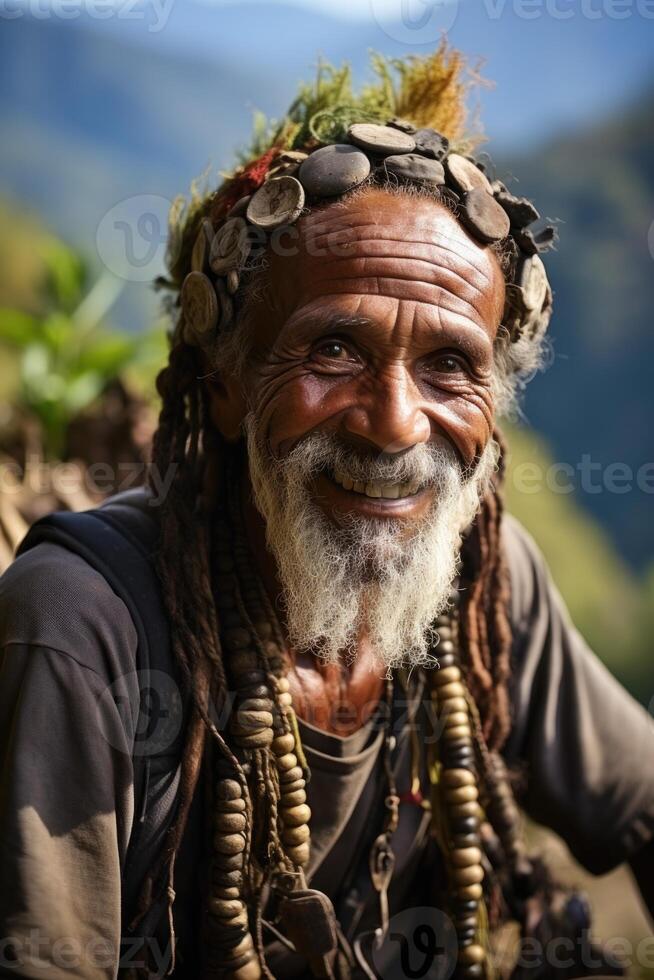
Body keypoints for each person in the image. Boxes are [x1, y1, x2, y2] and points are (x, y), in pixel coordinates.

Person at [1, 44, 653, 980]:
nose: (395, 425)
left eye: (449, 367)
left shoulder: (484, 581)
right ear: (227, 385)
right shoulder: (83, 629)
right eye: (334, 350)